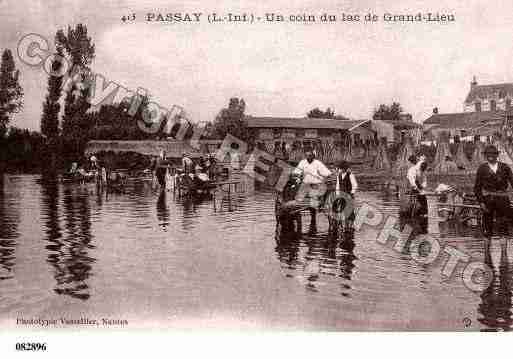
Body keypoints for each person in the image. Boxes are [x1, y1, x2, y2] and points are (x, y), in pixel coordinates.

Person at [474, 144, 513, 244]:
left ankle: (504, 255)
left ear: (497, 155)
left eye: (493, 154)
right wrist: (481, 202)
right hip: (488, 200)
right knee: (487, 226)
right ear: (485, 156)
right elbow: (477, 188)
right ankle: (487, 254)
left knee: (504, 226)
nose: (490, 156)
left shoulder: (505, 167)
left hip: (503, 200)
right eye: (488, 154)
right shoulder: (482, 169)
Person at [294, 150, 332, 233]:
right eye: (307, 156)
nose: (308, 158)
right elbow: (296, 172)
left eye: (310, 156)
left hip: (316, 185)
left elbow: (326, 172)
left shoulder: (318, 163)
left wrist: (327, 175)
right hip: (305, 185)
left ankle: (317, 206)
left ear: (313, 156)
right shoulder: (302, 162)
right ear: (305, 156)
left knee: (320, 193)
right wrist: (297, 176)